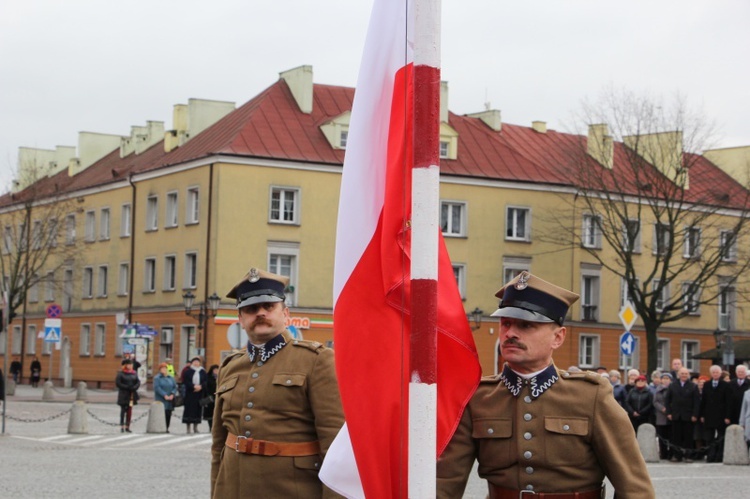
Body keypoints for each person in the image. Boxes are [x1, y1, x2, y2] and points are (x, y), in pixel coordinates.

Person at [437, 271, 654, 498]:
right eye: (506, 324)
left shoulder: (591, 396)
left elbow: (634, 487)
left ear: (558, 337)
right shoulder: (478, 398)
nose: (510, 333)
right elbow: (445, 481)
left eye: (526, 326)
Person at [211, 268, 344, 498]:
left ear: (286, 313)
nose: (260, 313)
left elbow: (334, 445)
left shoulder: (316, 360)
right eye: (251, 309)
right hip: (233, 489)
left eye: (268, 306)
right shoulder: (230, 366)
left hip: (292, 489)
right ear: (241, 320)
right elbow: (218, 447)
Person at [665, 367, 700, 462]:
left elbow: (697, 402)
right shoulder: (672, 385)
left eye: (685, 373)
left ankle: (688, 456)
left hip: (688, 415)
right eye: (682, 373)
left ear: (688, 375)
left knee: (688, 437)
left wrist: (695, 415)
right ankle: (677, 455)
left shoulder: (693, 386)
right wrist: (669, 413)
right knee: (676, 437)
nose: (684, 375)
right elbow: (667, 400)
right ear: (678, 375)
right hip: (676, 415)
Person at [699, 365, 731, 463]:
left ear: (720, 374)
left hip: (721, 415)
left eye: (717, 372)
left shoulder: (725, 385)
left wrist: (727, 416)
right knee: (709, 437)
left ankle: (719, 456)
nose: (715, 374)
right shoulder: (707, 385)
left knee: (721, 437)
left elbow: (728, 402)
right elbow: (703, 401)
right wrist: (702, 415)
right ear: (711, 374)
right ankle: (710, 455)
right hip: (709, 415)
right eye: (714, 372)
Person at [182, 356, 206, 434]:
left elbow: (205, 381)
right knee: (189, 410)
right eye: (194, 362)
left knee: (197, 411)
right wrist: (193, 386)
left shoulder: (202, 371)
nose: (196, 363)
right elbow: (186, 381)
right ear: (192, 363)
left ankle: (195, 427)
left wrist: (201, 386)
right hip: (190, 394)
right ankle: (188, 428)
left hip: (199, 394)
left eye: (197, 362)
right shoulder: (188, 371)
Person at [115, 359, 140, 433]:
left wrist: (135, 387)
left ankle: (127, 426)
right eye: (129, 364)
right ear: (125, 365)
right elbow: (118, 383)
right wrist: (127, 387)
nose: (130, 366)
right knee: (123, 410)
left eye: (131, 364)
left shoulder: (134, 373)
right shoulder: (121, 374)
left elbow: (138, 382)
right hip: (123, 394)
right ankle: (122, 425)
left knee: (129, 411)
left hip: (132, 394)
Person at [153, 362, 178, 432]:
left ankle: (167, 427)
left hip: (170, 399)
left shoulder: (171, 377)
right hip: (161, 399)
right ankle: (160, 427)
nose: (164, 370)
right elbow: (157, 388)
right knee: (161, 413)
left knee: (168, 414)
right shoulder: (157, 378)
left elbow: (175, 387)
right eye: (162, 368)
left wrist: (172, 394)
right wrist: (164, 395)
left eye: (165, 368)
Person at [653, 372, 673, 460]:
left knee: (671, 436)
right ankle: (663, 453)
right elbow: (655, 402)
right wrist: (662, 408)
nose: (665, 380)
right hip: (661, 415)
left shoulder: (673, 389)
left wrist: (669, 410)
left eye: (667, 379)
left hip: (671, 415)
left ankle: (671, 453)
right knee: (662, 436)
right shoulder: (657, 390)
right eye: (664, 378)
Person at [203, 364, 219, 431]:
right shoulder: (208, 377)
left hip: (218, 397)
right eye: (215, 370)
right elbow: (206, 387)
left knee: (217, 413)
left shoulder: (221, 377)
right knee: (210, 414)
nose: (216, 371)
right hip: (210, 397)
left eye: (217, 370)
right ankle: (210, 427)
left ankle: (216, 428)